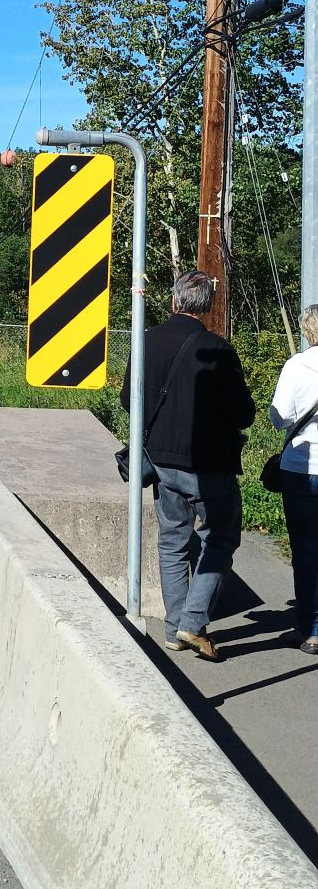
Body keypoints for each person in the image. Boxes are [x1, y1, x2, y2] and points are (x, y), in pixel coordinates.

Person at [119, 270, 255, 662]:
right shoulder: (219, 350)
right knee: (220, 538)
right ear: (208, 307)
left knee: (172, 542)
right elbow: (243, 414)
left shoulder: (147, 342)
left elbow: (131, 400)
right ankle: (192, 623)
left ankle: (174, 628)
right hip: (209, 465)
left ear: (174, 301)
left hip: (161, 462)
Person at [269, 304, 318, 656]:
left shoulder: (296, 366)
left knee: (305, 549)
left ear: (306, 331)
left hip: (301, 467)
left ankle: (308, 628)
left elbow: (279, 416)